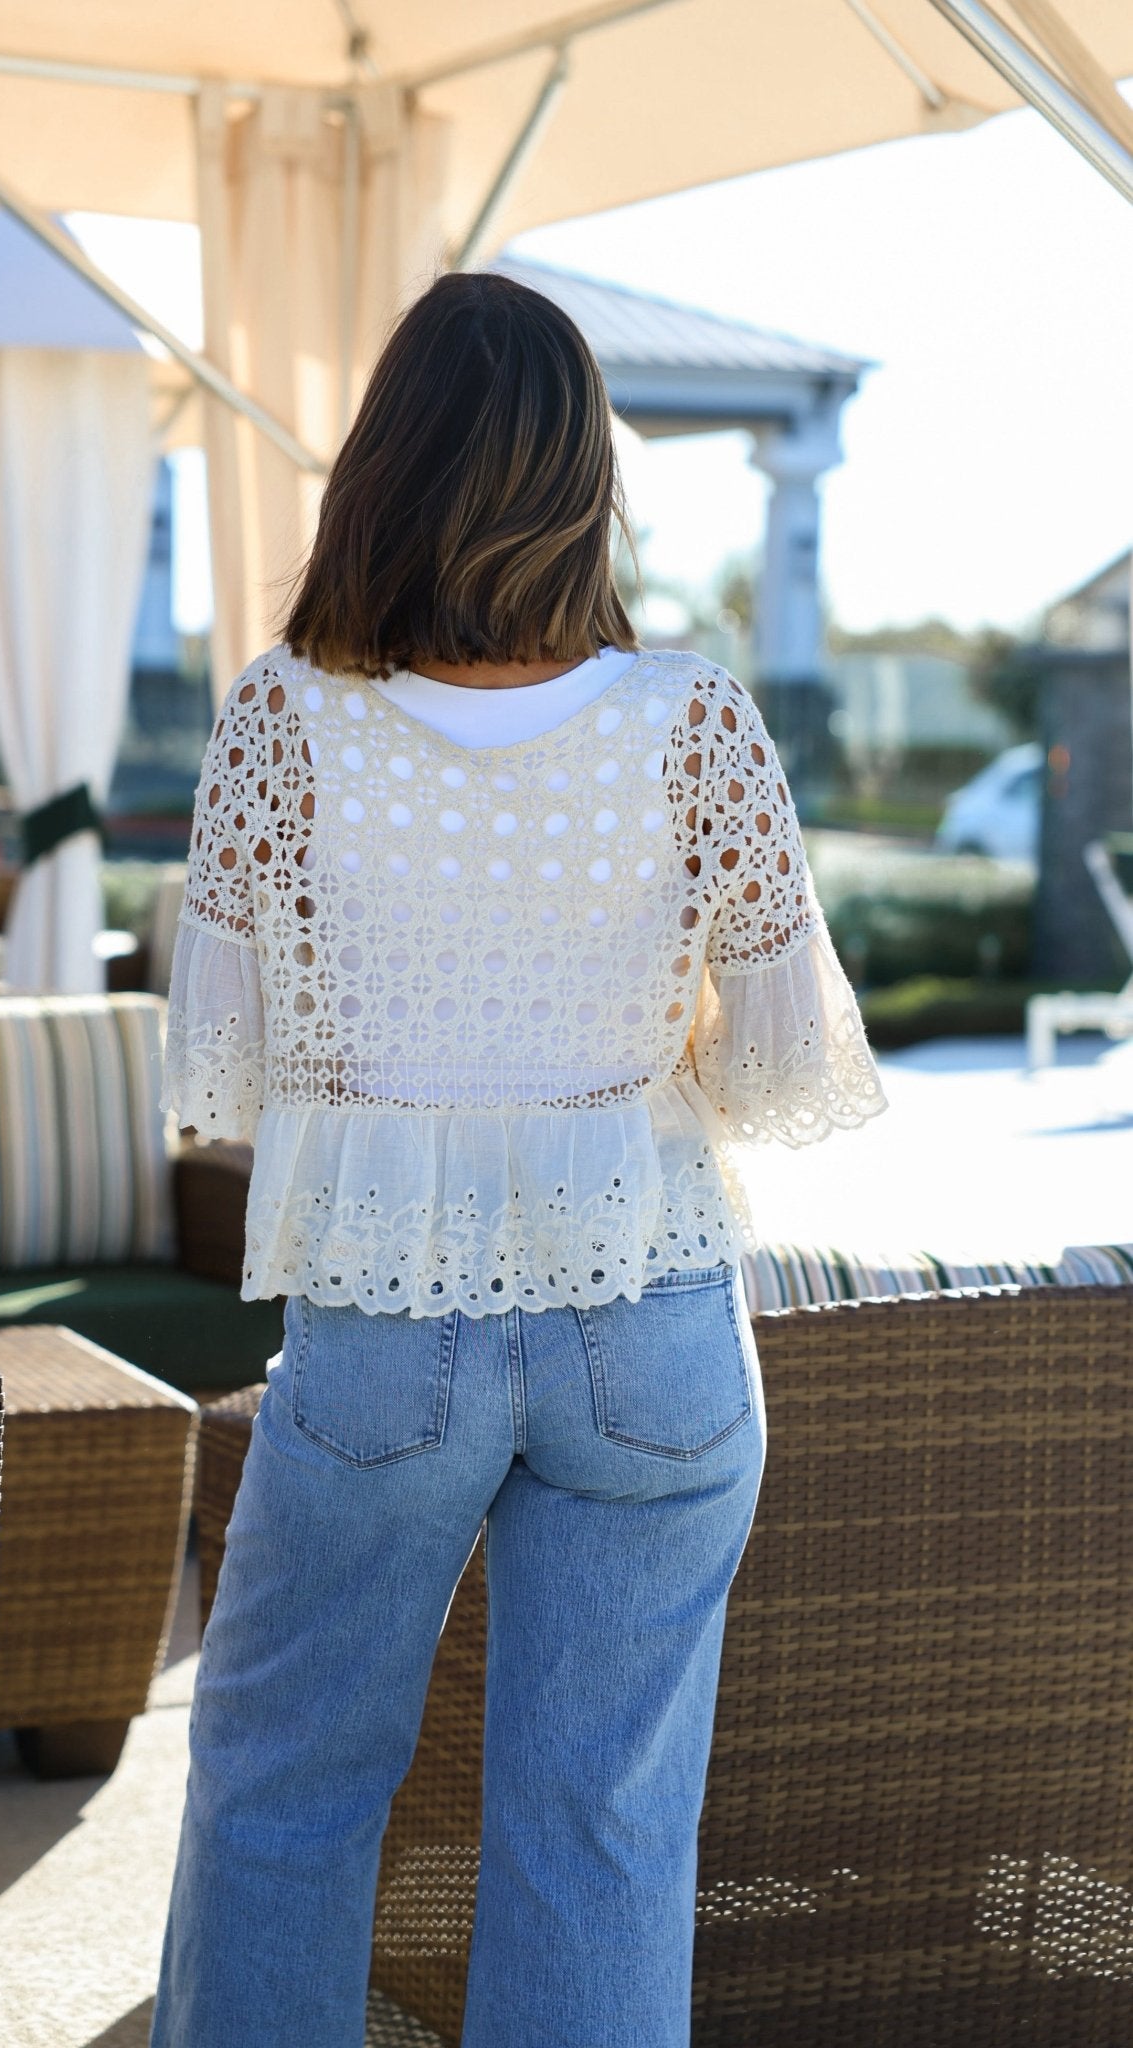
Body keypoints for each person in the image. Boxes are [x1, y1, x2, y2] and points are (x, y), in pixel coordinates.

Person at [149, 270, 888, 2048]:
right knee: (606, 1828)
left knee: (279, 1792)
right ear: (586, 485)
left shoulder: (279, 723)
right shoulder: (693, 718)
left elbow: (227, 1070)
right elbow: (792, 1066)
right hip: (652, 1327)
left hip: (384, 1330)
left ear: (378, 471)